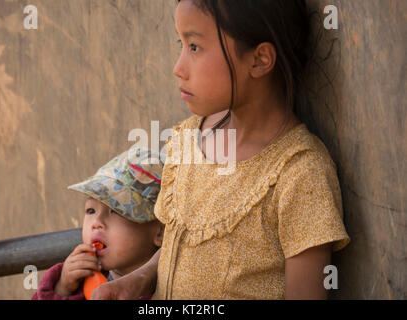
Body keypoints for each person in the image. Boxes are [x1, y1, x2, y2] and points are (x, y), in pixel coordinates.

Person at [91, 0, 350, 300]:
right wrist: (141, 279)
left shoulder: (298, 173)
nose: (178, 68)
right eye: (181, 43)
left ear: (259, 60)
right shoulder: (188, 139)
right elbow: (179, 246)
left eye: (195, 47)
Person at [32, 147, 165, 300]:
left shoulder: (173, 288)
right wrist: (62, 288)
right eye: (90, 211)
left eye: (116, 210)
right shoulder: (78, 281)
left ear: (160, 232)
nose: (96, 222)